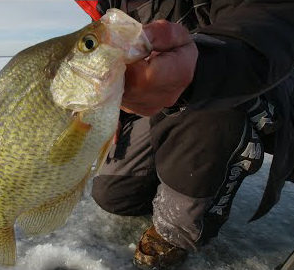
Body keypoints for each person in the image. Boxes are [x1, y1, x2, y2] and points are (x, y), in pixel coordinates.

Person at [75, 1, 294, 269]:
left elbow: (271, 15)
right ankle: (183, 172)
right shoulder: (106, 5)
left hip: (244, 84)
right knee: (115, 193)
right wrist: (113, 108)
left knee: (209, 105)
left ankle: (178, 230)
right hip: (163, 107)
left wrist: (205, 62)